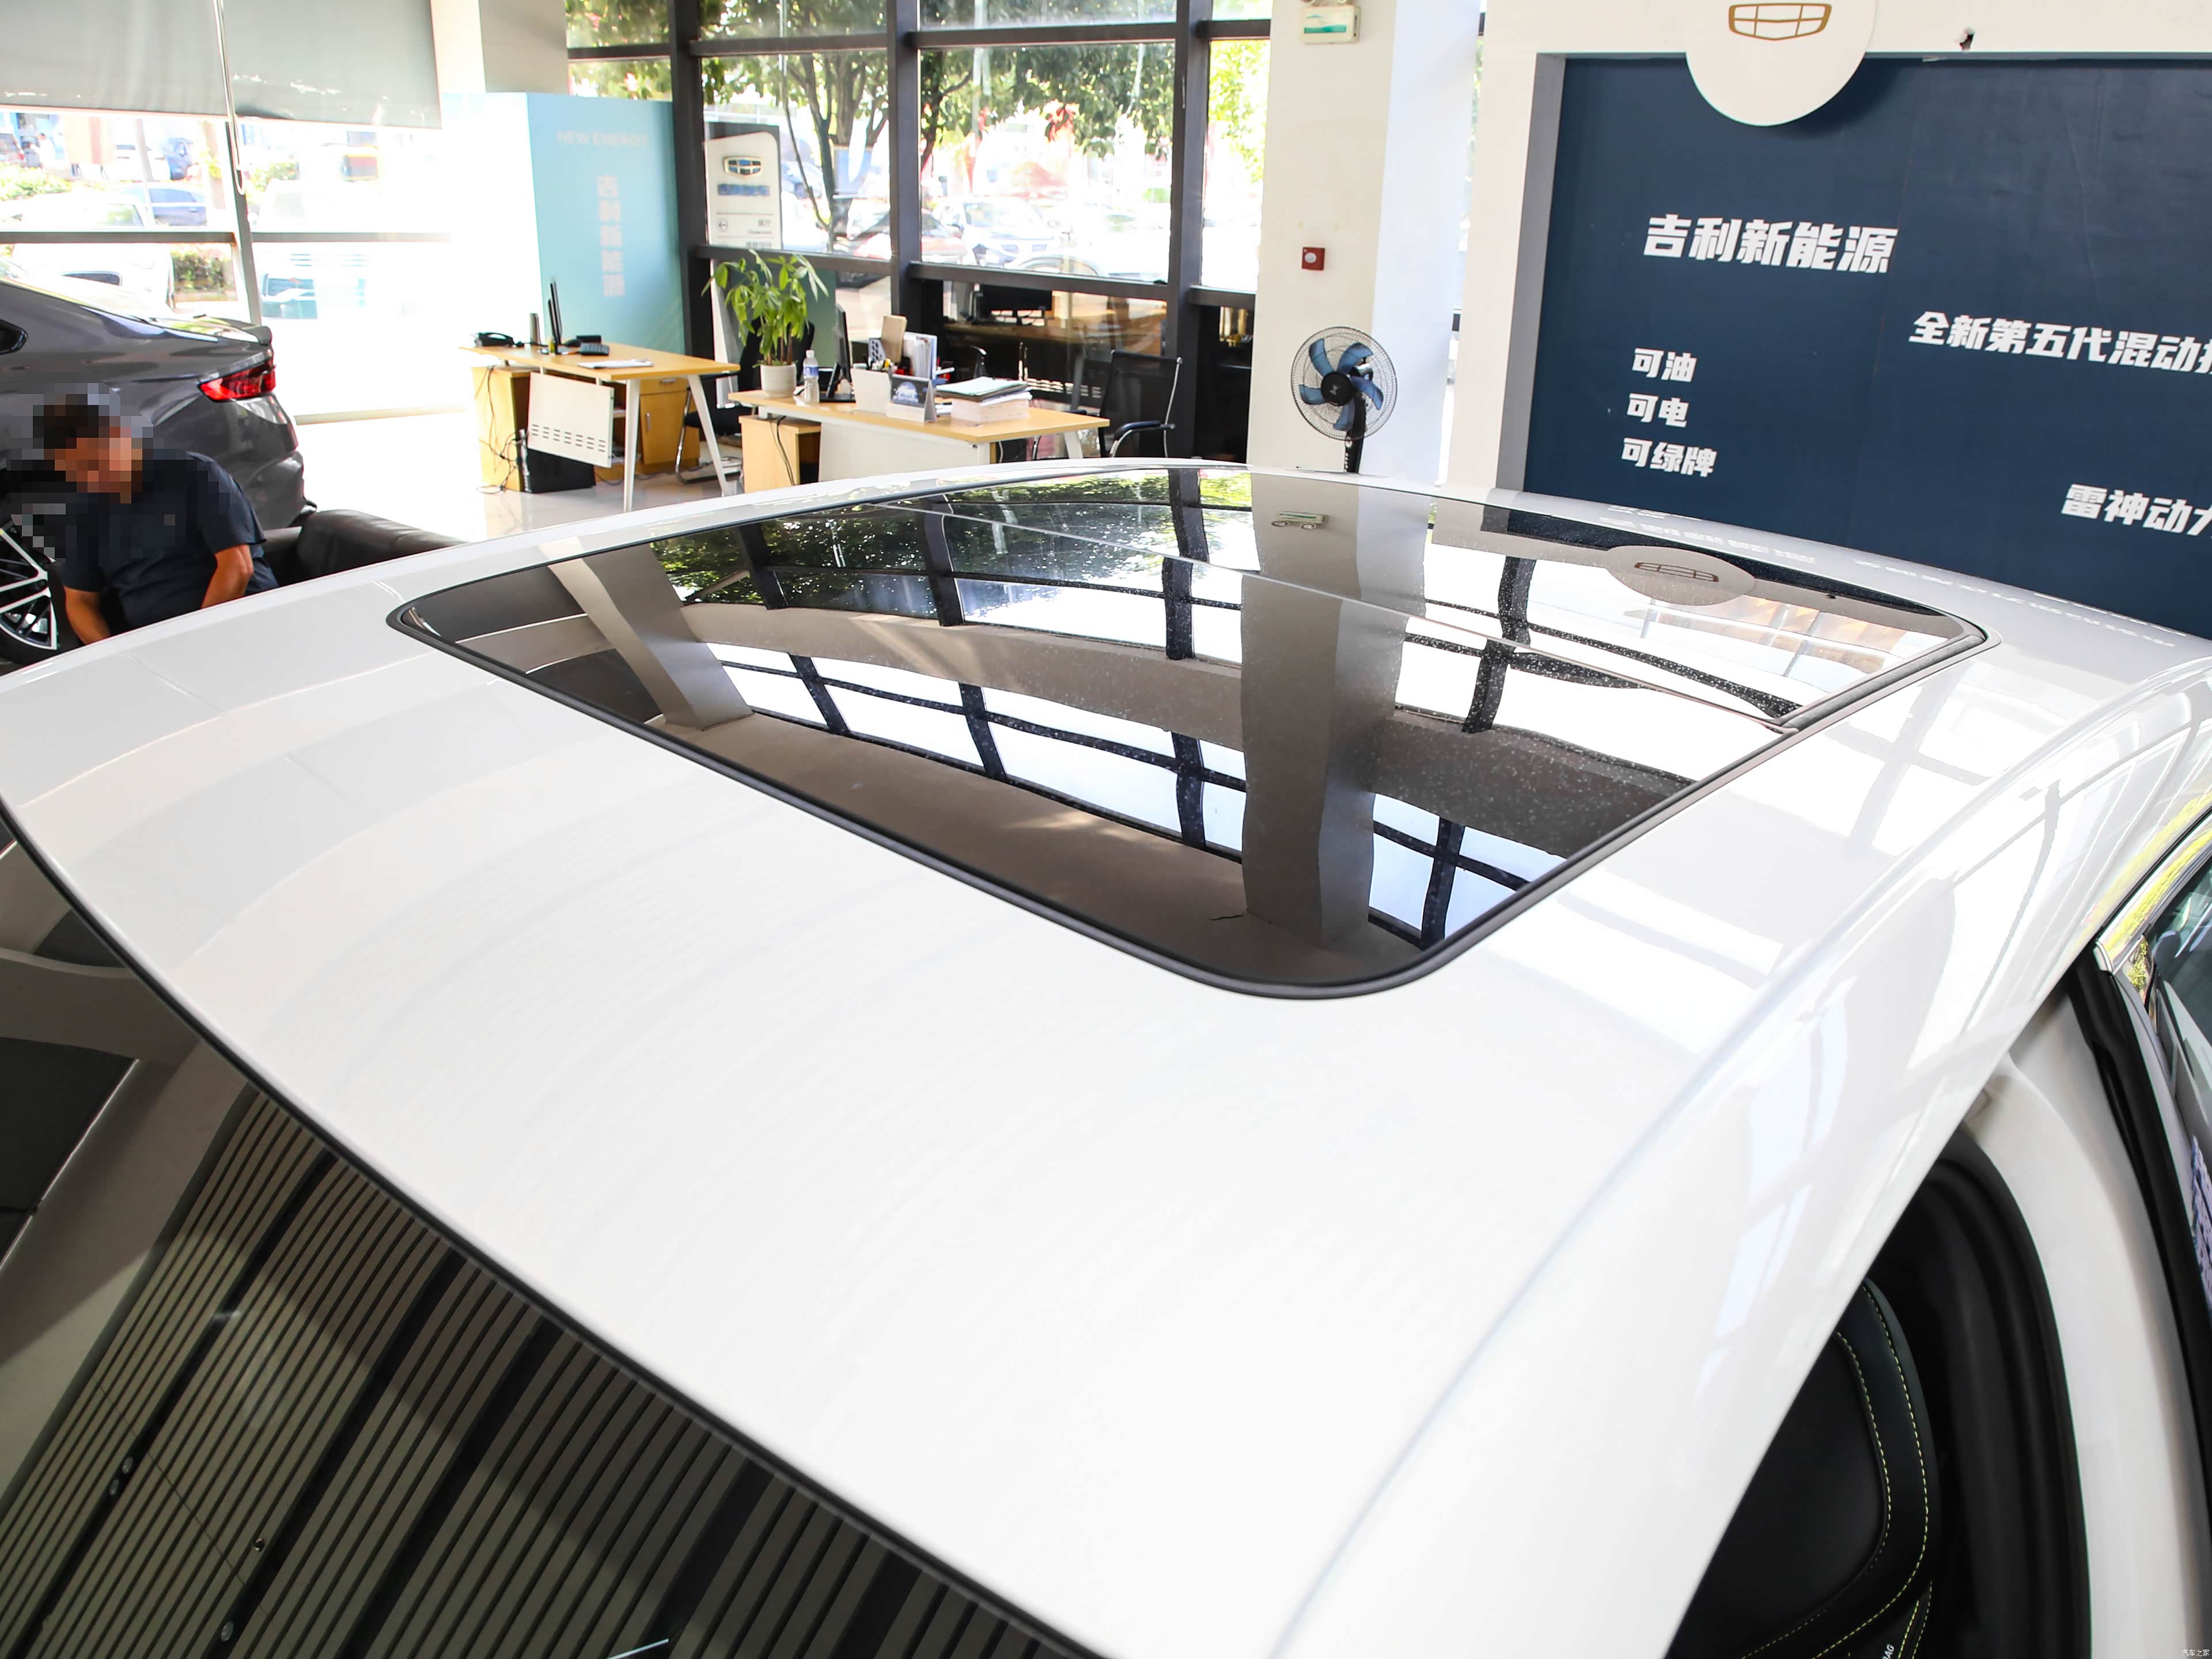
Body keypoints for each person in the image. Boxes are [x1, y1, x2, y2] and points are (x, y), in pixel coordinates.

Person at [36, 397, 275, 643]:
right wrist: (115, 653)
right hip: (155, 642)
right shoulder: (82, 511)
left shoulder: (196, 473)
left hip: (236, 620)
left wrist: (198, 639)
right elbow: (79, 600)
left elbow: (237, 567)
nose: (90, 477)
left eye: (94, 463)